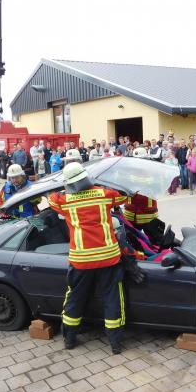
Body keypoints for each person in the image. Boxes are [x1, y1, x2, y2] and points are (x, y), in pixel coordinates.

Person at [48, 163, 128, 354]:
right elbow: (124, 195)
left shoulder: (64, 201)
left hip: (81, 260)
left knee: (75, 297)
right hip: (108, 258)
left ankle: (69, 339)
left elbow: (51, 199)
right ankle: (115, 343)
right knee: (112, 298)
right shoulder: (104, 194)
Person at [125, 147, 160, 226]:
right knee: (132, 237)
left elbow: (158, 187)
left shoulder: (153, 171)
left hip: (147, 213)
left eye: (140, 160)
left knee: (149, 237)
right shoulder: (129, 171)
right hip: (131, 213)